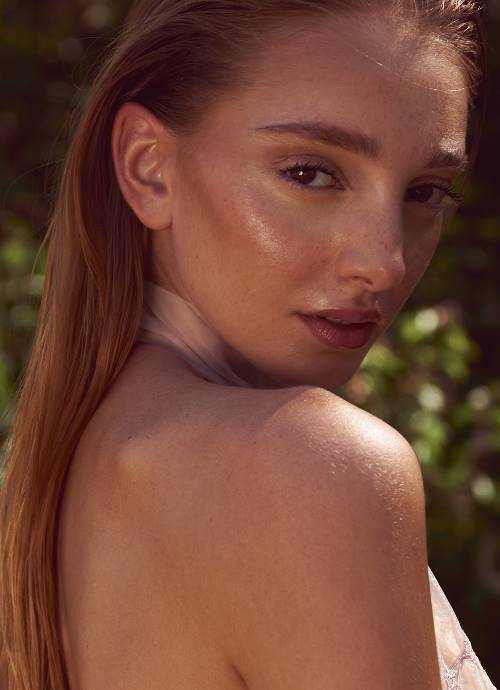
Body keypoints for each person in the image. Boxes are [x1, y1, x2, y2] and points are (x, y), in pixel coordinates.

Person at [0, 0, 496, 689]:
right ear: (148, 167)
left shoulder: (74, 476)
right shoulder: (308, 466)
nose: (384, 261)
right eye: (310, 173)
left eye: (426, 192)